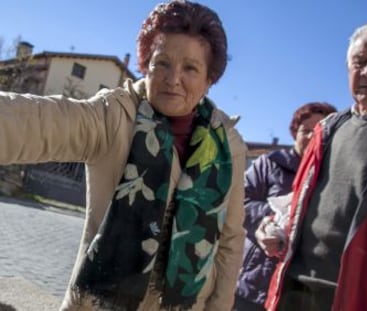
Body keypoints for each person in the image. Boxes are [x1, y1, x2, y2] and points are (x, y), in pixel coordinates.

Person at [0, 1, 247, 310]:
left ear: (209, 79)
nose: (173, 79)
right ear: (146, 65)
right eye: (162, 63)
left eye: (190, 68)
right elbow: (36, 121)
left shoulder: (229, 148)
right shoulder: (115, 115)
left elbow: (230, 242)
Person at [260, 19, 367, 311]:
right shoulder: (328, 130)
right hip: (290, 295)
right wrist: (274, 225)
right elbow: (303, 204)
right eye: (360, 61)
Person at [232, 102, 336, 311]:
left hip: (297, 290)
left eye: (318, 132)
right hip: (253, 281)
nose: (310, 137)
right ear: (294, 132)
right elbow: (239, 200)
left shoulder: (333, 177)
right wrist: (274, 219)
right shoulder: (270, 163)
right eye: (305, 131)